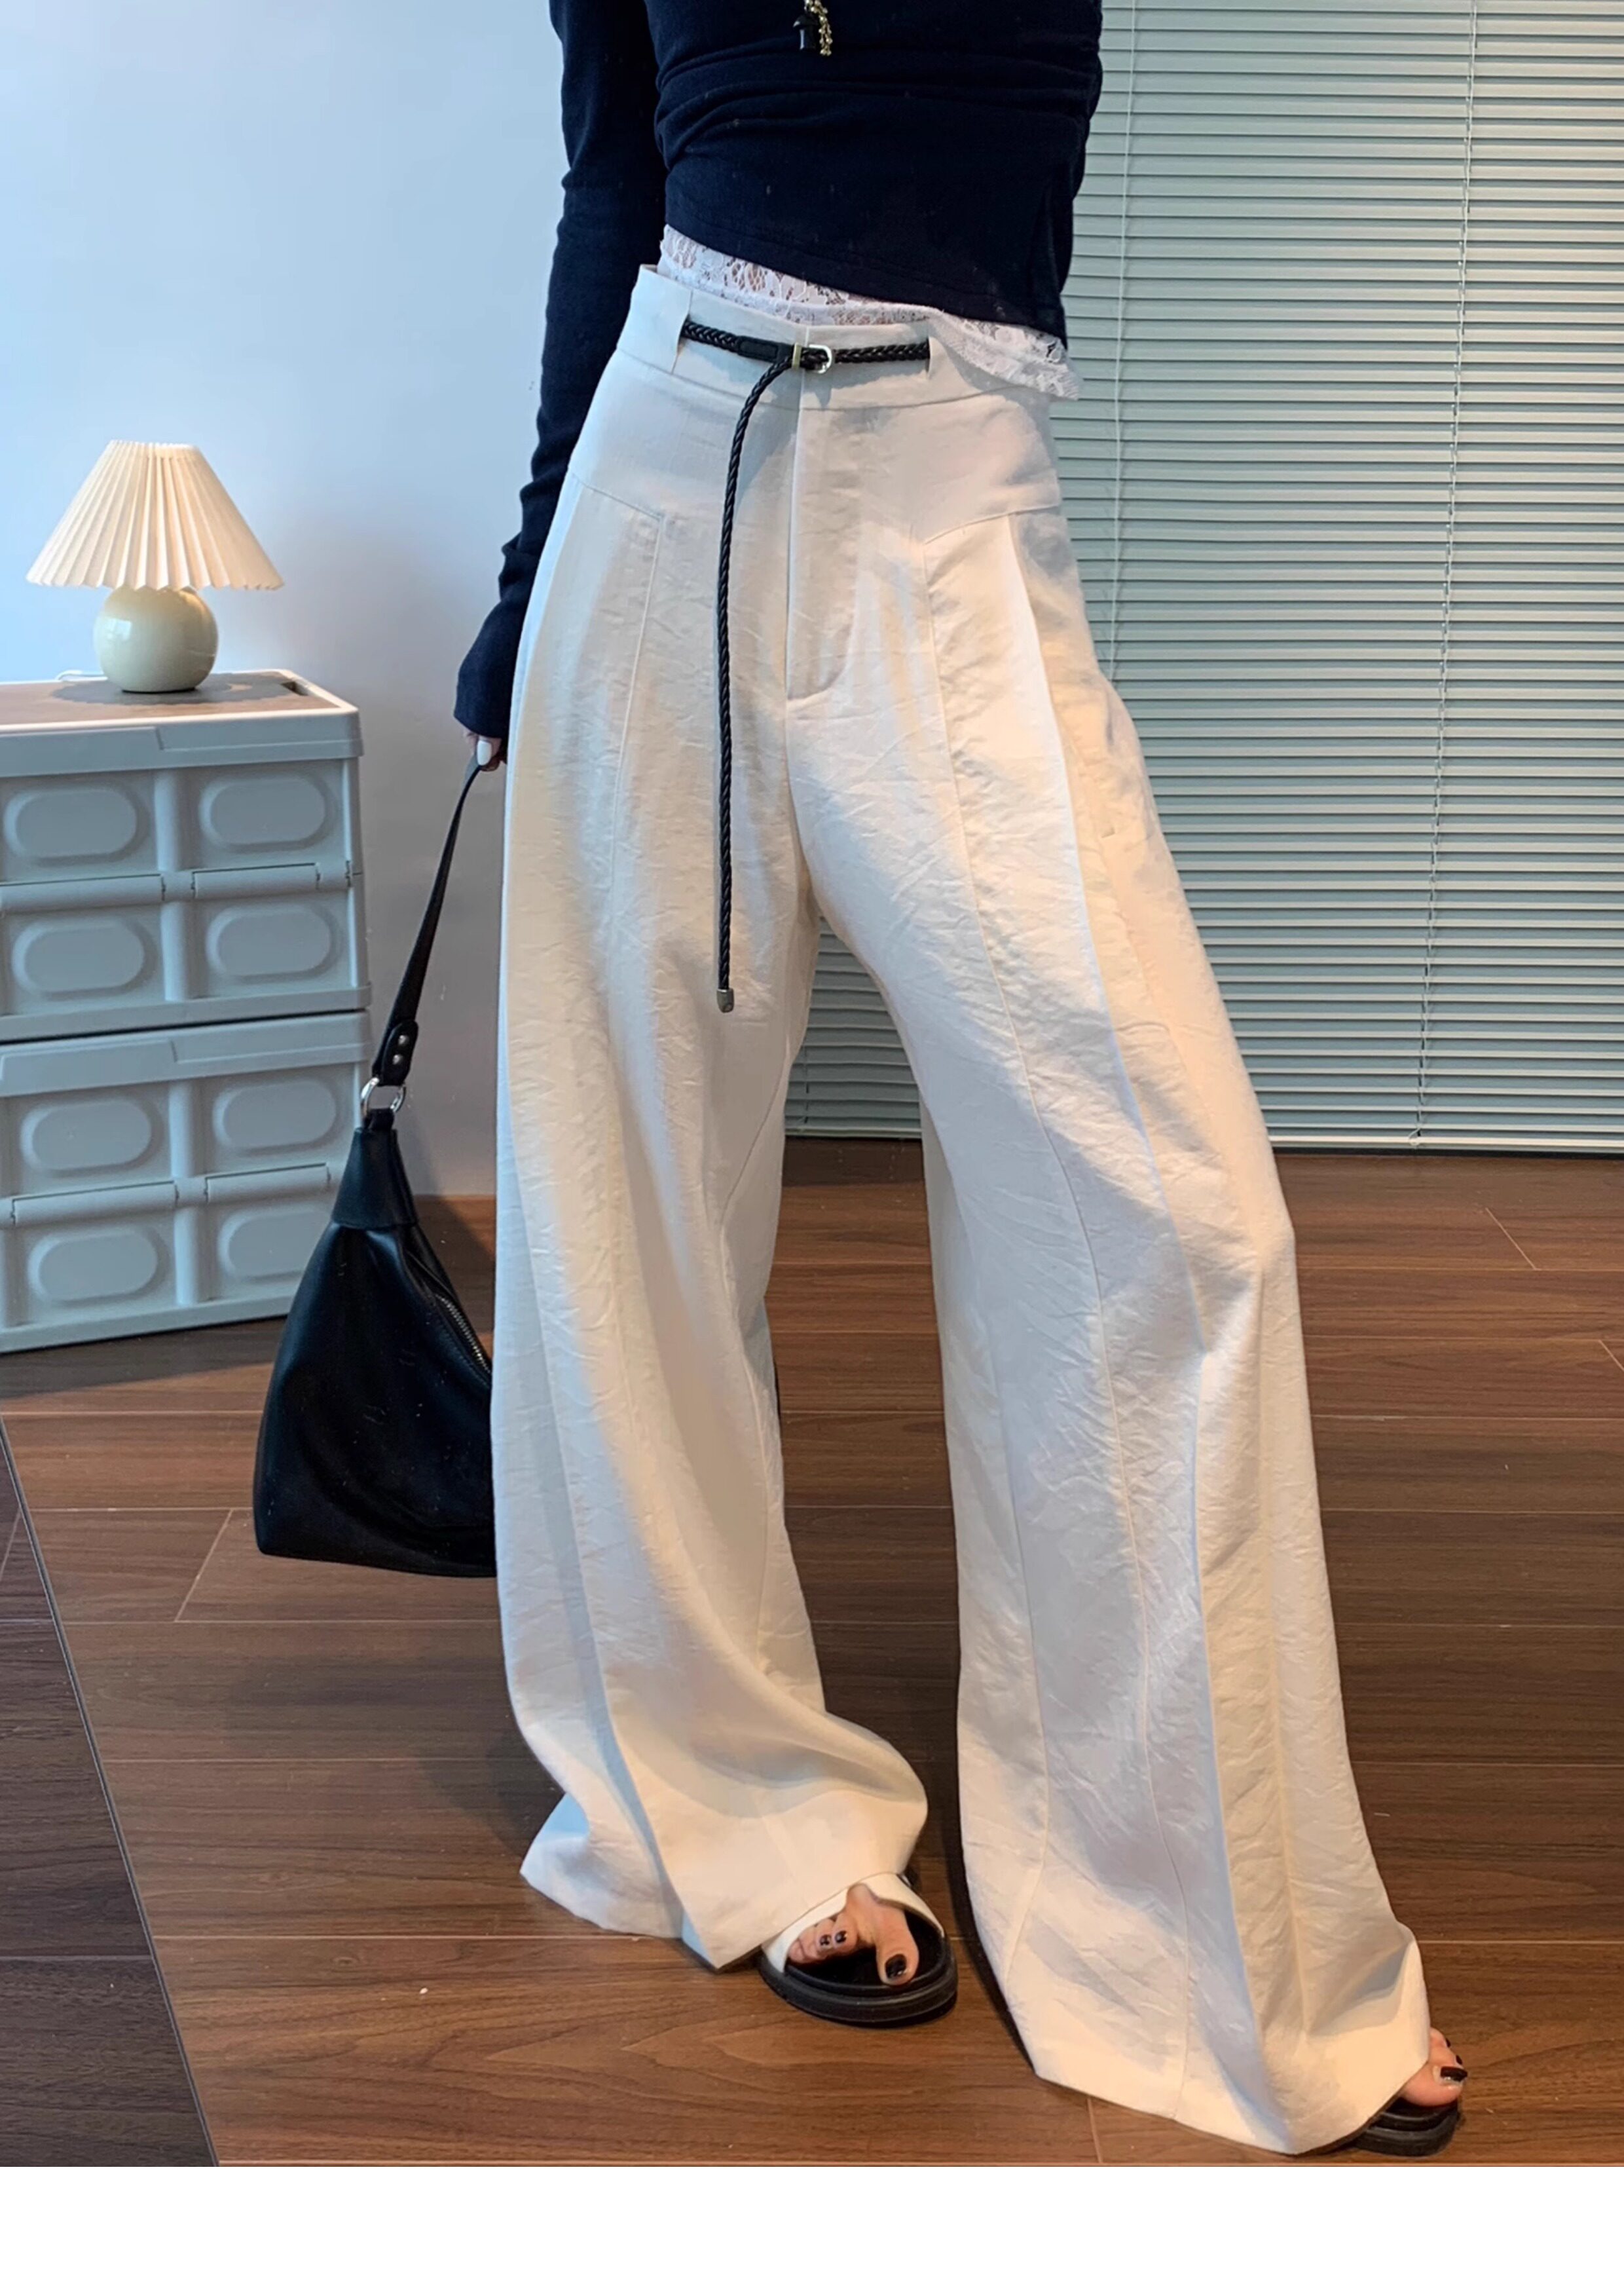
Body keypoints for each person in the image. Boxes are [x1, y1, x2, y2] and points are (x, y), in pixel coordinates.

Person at [454, 0, 1468, 2158]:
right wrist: (529, 580)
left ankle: (1201, 1932)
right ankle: (734, 1806)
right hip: (662, 474)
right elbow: (613, 175)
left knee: (1175, 1224)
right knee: (627, 1193)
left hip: (947, 487)